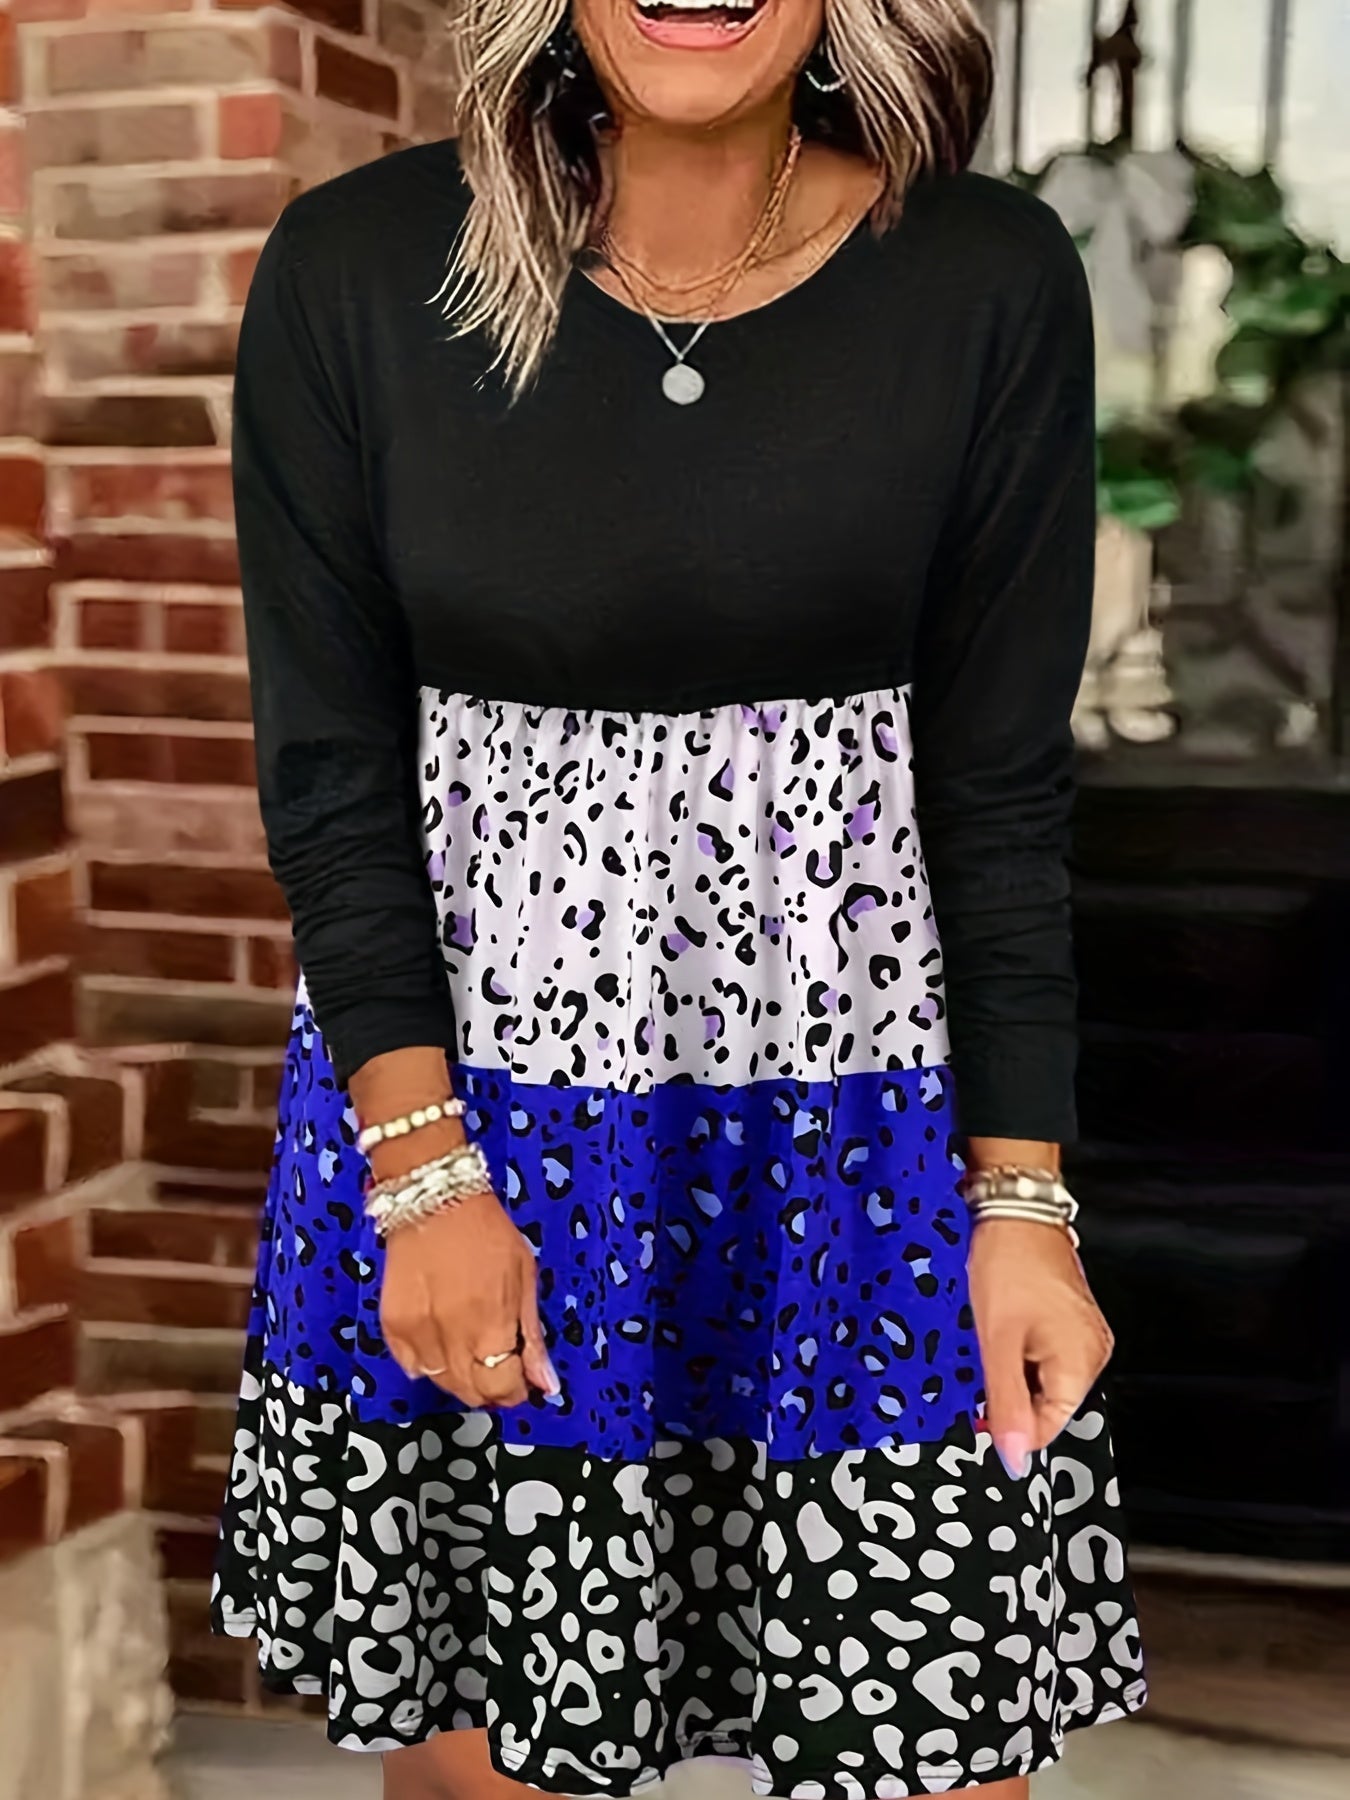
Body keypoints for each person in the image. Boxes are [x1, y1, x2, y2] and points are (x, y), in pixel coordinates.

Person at [211, 1, 1147, 1795]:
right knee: (495, 1753)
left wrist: (1022, 1203)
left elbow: (998, 792)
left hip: (859, 1141)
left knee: (937, 1739)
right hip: (479, 1131)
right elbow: (331, 779)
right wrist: (424, 1179)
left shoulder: (985, 275)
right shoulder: (360, 266)